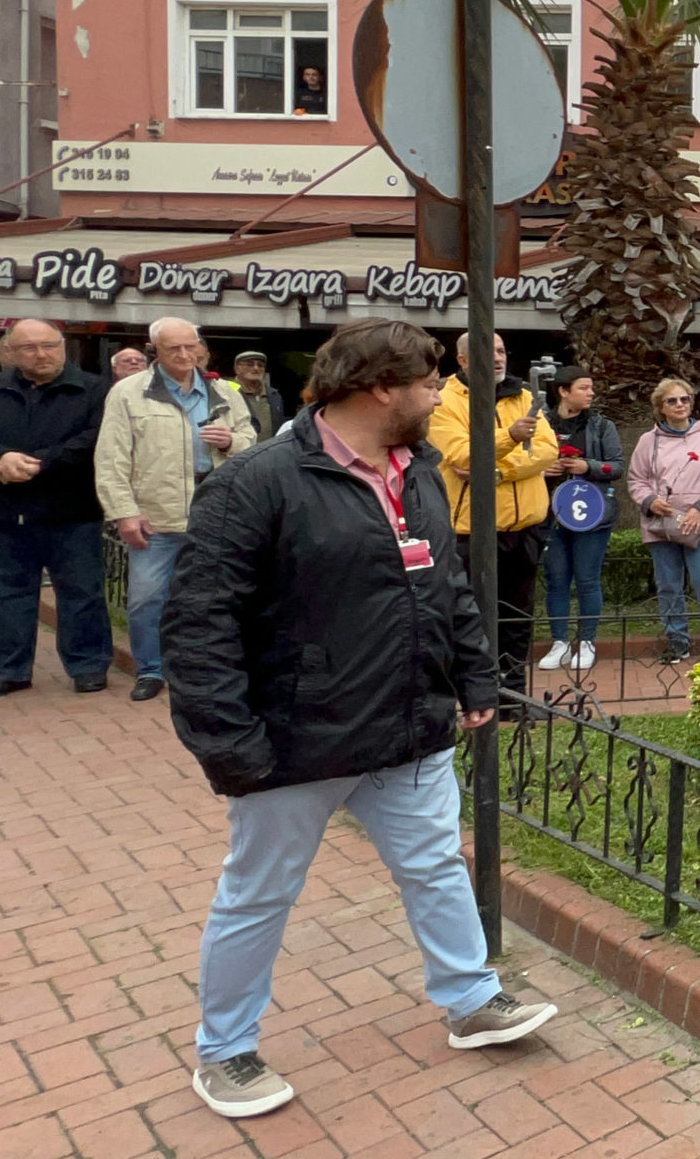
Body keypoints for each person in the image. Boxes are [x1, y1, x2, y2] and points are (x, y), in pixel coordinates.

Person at [165, 317, 556, 1121]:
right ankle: (226, 1052)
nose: (438, 393)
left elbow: (445, 585)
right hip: (293, 741)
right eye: (426, 382)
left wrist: (477, 674)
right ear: (382, 388)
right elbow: (200, 624)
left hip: (407, 726)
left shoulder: (416, 471)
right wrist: (229, 745)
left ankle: (473, 998)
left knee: (436, 866)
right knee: (257, 895)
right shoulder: (255, 483)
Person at [0, 318, 112, 701]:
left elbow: (96, 439)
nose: (41, 354)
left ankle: (88, 666)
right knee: (5, 594)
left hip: (71, 510)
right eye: (30, 348)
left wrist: (41, 462)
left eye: (49, 345)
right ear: (9, 351)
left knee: (82, 594)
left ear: (63, 346)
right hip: (2, 512)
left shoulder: (93, 389)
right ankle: (8, 670)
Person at [96, 318, 257, 702]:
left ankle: (211, 667)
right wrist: (123, 512)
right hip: (156, 516)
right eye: (174, 349)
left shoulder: (223, 391)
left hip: (218, 514)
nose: (186, 355)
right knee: (146, 598)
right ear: (155, 351)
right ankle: (151, 670)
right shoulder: (128, 394)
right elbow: (111, 459)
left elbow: (252, 442)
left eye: (191, 347)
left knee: (219, 597)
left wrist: (232, 440)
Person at [430, 332, 558, 685]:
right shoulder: (444, 401)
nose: (497, 358)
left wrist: (499, 471)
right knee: (472, 620)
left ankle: (512, 697)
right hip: (472, 533)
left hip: (524, 530)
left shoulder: (524, 396)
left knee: (517, 620)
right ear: (463, 360)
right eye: (487, 351)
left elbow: (547, 451)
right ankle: (478, 696)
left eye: (501, 350)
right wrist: (512, 438)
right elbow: (461, 454)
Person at [628, 378, 700, 661]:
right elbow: (637, 479)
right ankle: (677, 641)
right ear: (661, 407)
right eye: (672, 401)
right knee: (669, 584)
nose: (680, 405)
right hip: (663, 524)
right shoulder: (648, 441)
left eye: (684, 399)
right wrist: (650, 501)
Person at [537, 365, 621, 671]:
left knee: (587, 579)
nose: (591, 393)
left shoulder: (600, 426)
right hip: (549, 513)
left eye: (591, 388)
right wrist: (542, 471)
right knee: (556, 579)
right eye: (584, 388)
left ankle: (587, 641)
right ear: (563, 391)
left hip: (592, 516)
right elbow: (521, 461)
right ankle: (559, 642)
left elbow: (617, 466)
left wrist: (589, 467)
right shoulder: (540, 425)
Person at [231, 351, 288, 440]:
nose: (256, 368)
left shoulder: (274, 395)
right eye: (250, 365)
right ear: (236, 369)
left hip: (269, 451)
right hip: (237, 451)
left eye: (260, 365)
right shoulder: (227, 392)